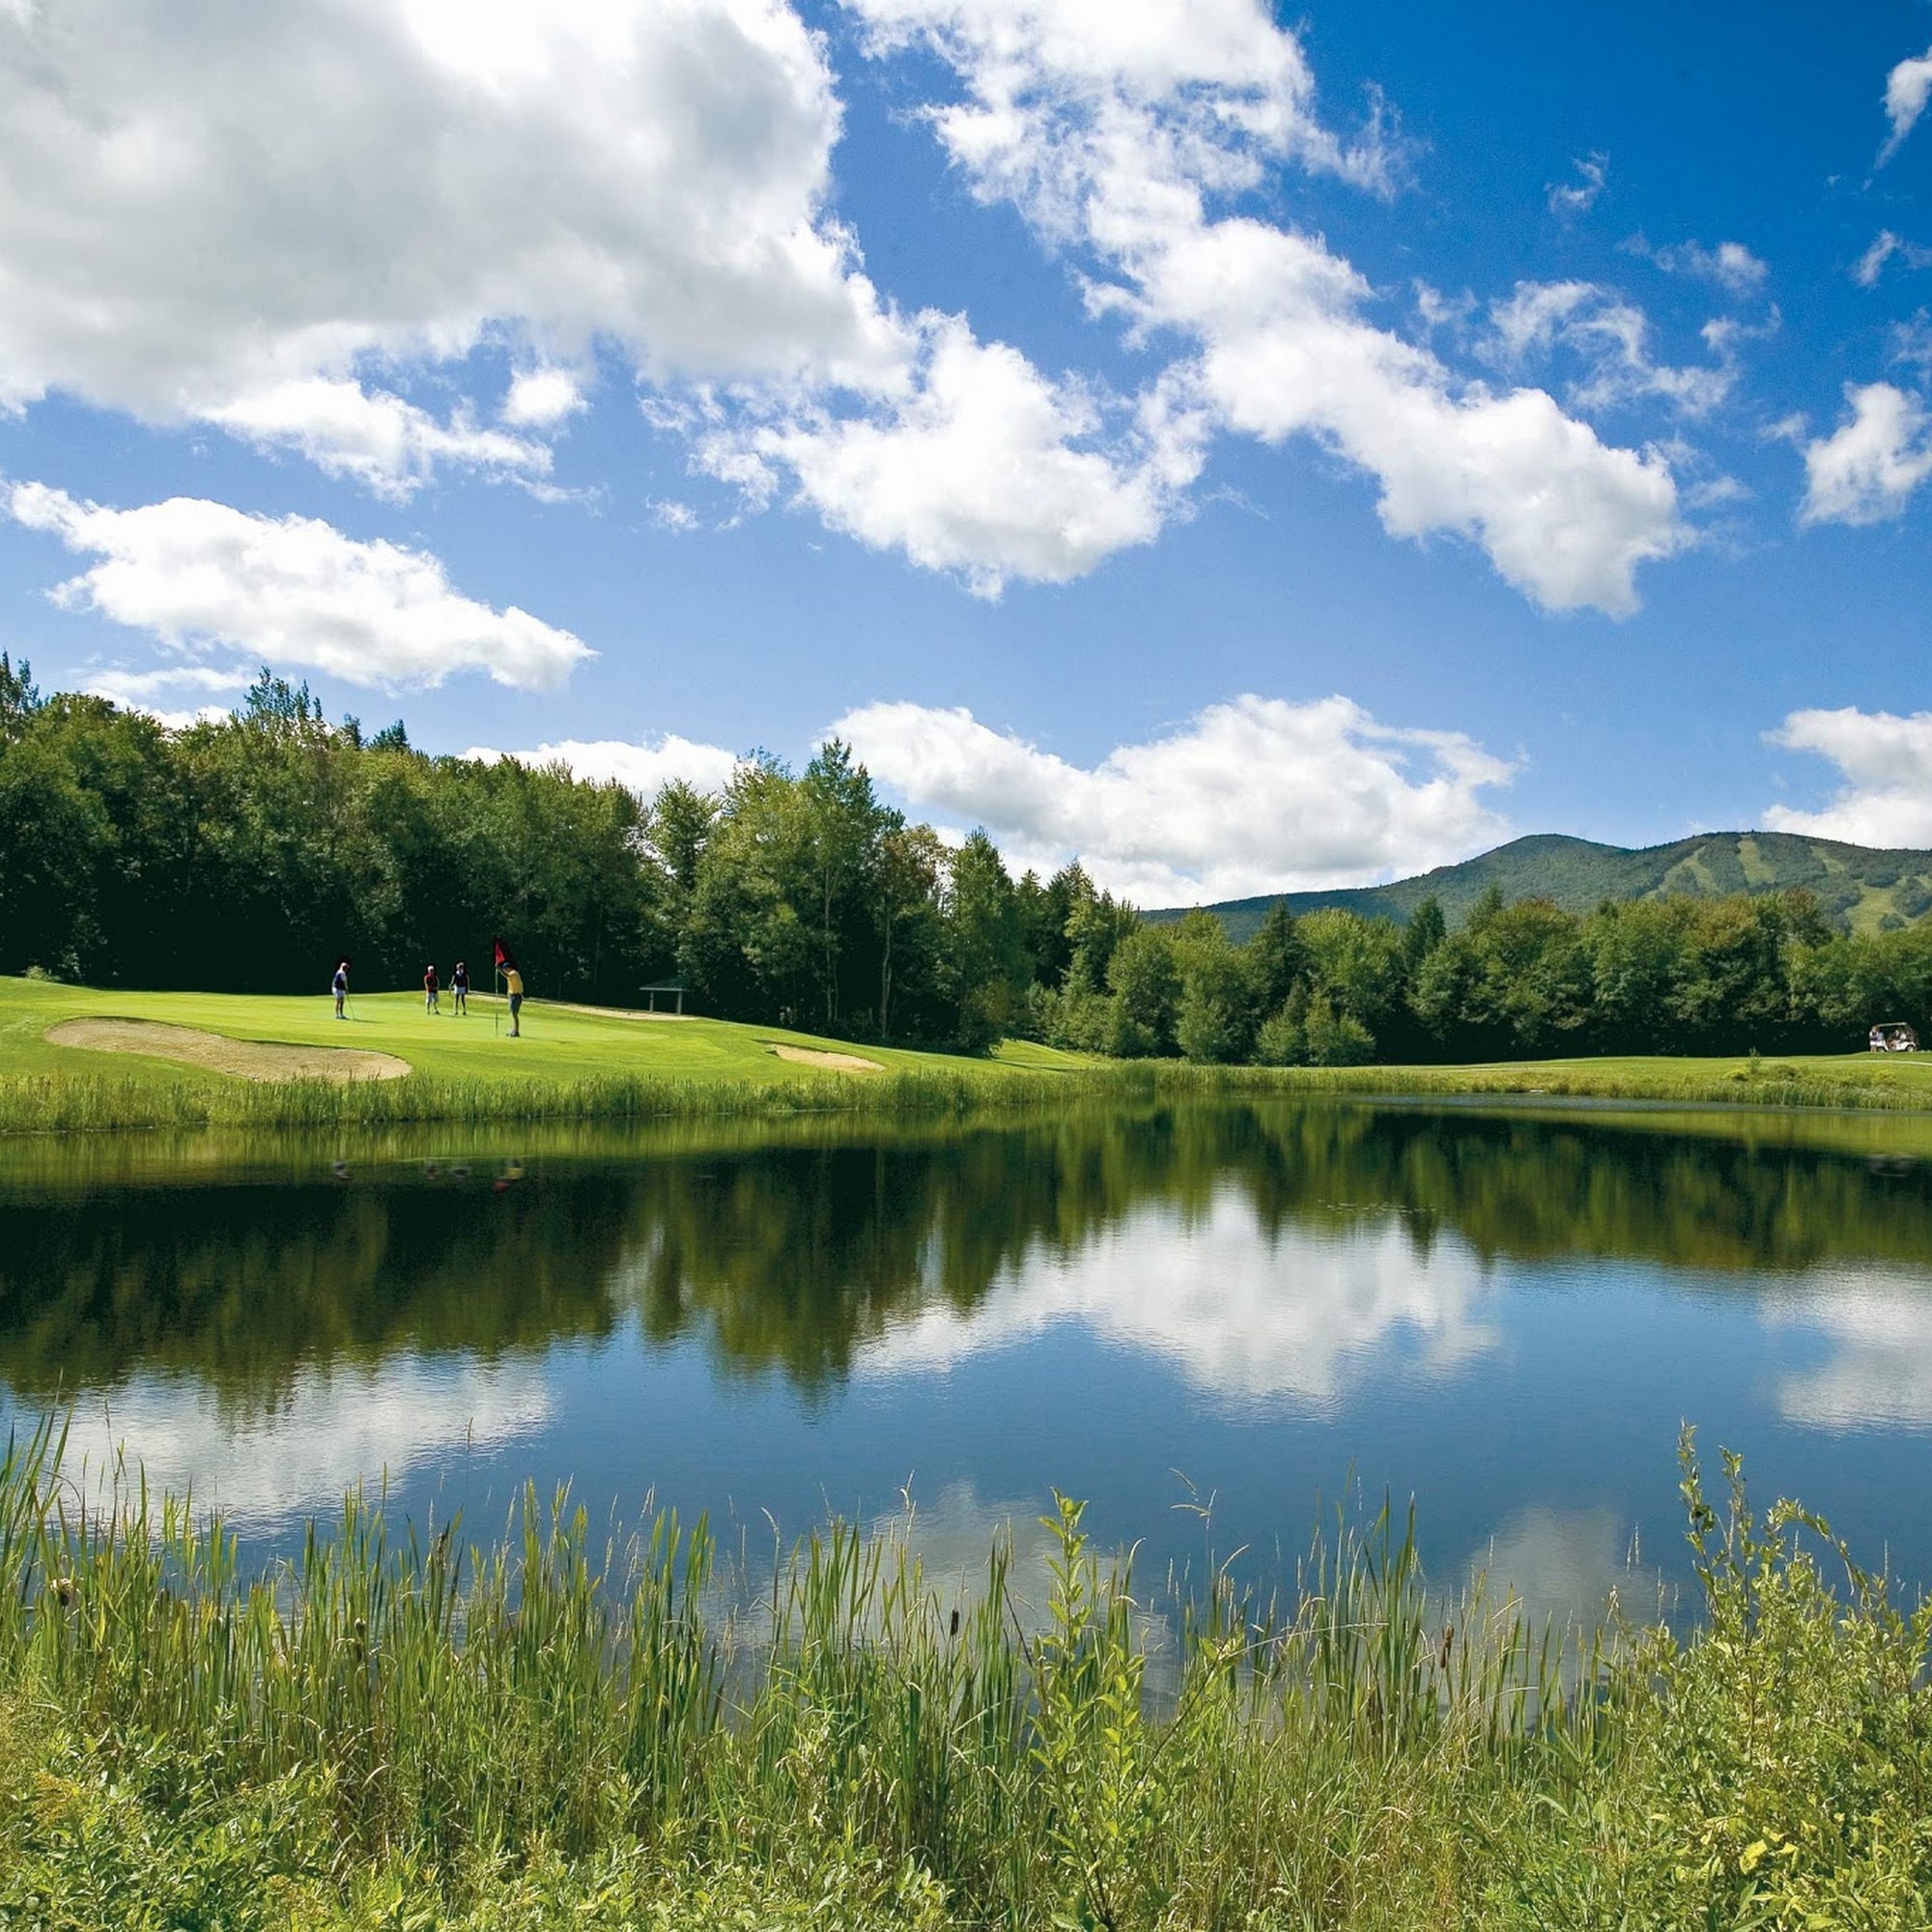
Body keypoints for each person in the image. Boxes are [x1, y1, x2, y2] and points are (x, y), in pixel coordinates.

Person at [504, 960, 524, 1037]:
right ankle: (514, 1029)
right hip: (512, 995)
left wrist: (499, 969)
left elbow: (507, 975)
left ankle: (516, 1031)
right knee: (513, 1013)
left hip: (516, 996)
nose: (505, 970)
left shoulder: (514, 973)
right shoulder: (511, 974)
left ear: (508, 968)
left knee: (514, 1014)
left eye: (505, 968)